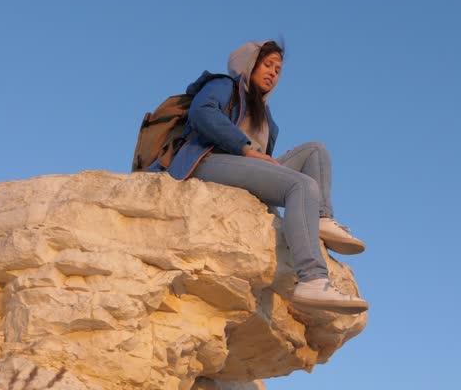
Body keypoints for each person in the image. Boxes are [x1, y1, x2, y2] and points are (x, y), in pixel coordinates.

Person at [153, 40, 368, 314]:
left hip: (239, 167)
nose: (273, 74)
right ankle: (312, 279)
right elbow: (202, 112)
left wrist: (256, 157)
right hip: (205, 161)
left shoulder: (267, 118)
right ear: (249, 63)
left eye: (278, 70)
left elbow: (261, 162)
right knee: (300, 185)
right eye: (267, 65)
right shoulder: (225, 86)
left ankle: (321, 217)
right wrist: (245, 149)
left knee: (316, 150)